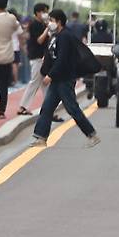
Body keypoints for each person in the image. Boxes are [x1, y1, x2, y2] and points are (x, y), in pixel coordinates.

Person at [30, 9, 101, 148]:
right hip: (57, 80)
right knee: (47, 107)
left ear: (59, 22)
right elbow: (52, 55)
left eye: (52, 20)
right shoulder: (56, 36)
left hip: (64, 79)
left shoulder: (65, 37)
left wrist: (50, 75)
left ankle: (92, 134)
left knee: (72, 108)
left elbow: (62, 59)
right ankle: (41, 137)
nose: (49, 23)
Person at [9, 9, 24, 86]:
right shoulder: (16, 23)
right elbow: (20, 35)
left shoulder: (5, 22)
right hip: (15, 46)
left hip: (7, 47)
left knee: (9, 65)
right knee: (15, 64)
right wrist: (22, 45)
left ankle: (10, 80)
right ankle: (15, 80)